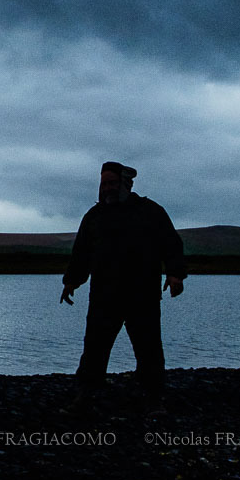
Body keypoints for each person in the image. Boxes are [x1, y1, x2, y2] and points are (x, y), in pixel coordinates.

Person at [60, 161, 186, 413]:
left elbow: (171, 243)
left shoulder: (150, 211)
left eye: (112, 183)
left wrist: (175, 274)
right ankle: (85, 395)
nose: (107, 188)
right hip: (104, 295)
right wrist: (71, 281)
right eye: (104, 184)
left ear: (125, 184)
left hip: (142, 294)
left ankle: (153, 398)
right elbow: (81, 252)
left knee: (148, 347)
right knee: (95, 347)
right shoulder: (94, 216)